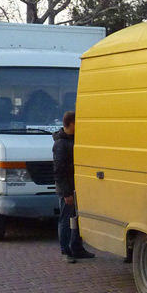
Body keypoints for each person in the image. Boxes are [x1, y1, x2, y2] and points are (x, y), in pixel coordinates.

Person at [53, 110, 94, 263]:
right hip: (68, 189)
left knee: (77, 218)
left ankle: (77, 247)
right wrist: (66, 192)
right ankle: (65, 250)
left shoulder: (72, 140)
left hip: (76, 186)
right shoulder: (61, 144)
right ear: (71, 124)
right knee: (65, 219)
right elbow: (59, 171)